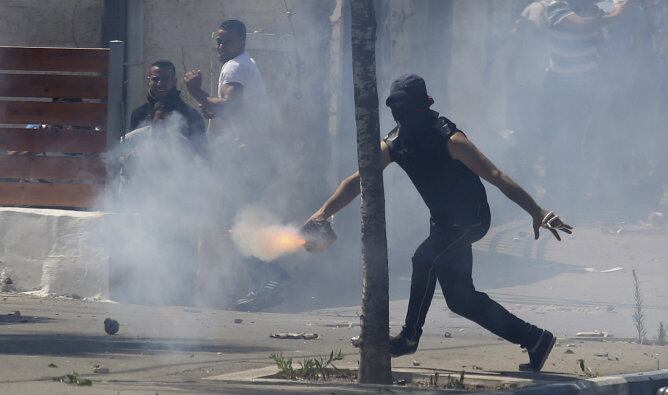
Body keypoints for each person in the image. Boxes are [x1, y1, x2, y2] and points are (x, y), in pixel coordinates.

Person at [303, 75, 573, 372]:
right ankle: (535, 339)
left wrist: (537, 211)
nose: (401, 115)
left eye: (407, 107)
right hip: (444, 223)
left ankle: (409, 338)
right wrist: (322, 213)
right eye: (396, 108)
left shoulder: (450, 139)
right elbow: (359, 180)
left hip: (472, 220)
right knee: (461, 300)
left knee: (424, 259)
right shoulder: (395, 143)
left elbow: (495, 176)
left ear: (424, 105)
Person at [184, 19, 284, 311]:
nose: (220, 46)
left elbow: (230, 106)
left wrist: (196, 92)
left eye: (226, 41)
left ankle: (272, 278)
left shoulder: (236, 66)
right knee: (239, 219)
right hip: (249, 154)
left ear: (241, 41)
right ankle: (264, 280)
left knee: (240, 221)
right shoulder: (242, 64)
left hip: (247, 156)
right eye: (218, 40)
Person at [540, 0, 635, 214]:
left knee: (582, 141)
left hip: (588, 84)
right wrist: (616, 15)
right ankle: (557, 196)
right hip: (560, 85)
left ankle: (576, 197)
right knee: (557, 142)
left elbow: (604, 38)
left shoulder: (593, 6)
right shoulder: (556, 4)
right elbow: (580, 24)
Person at [130, 60, 206, 154]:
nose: (160, 83)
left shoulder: (190, 115)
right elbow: (131, 149)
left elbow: (202, 154)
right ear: (149, 80)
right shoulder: (139, 114)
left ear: (174, 82)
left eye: (165, 79)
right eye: (155, 79)